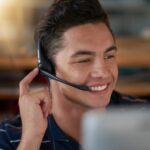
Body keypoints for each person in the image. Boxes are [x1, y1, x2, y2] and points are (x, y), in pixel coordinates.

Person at [0, 0, 149, 150]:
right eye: (84, 60)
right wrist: (32, 138)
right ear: (47, 66)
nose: (103, 72)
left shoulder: (144, 120)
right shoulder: (9, 136)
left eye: (109, 56)